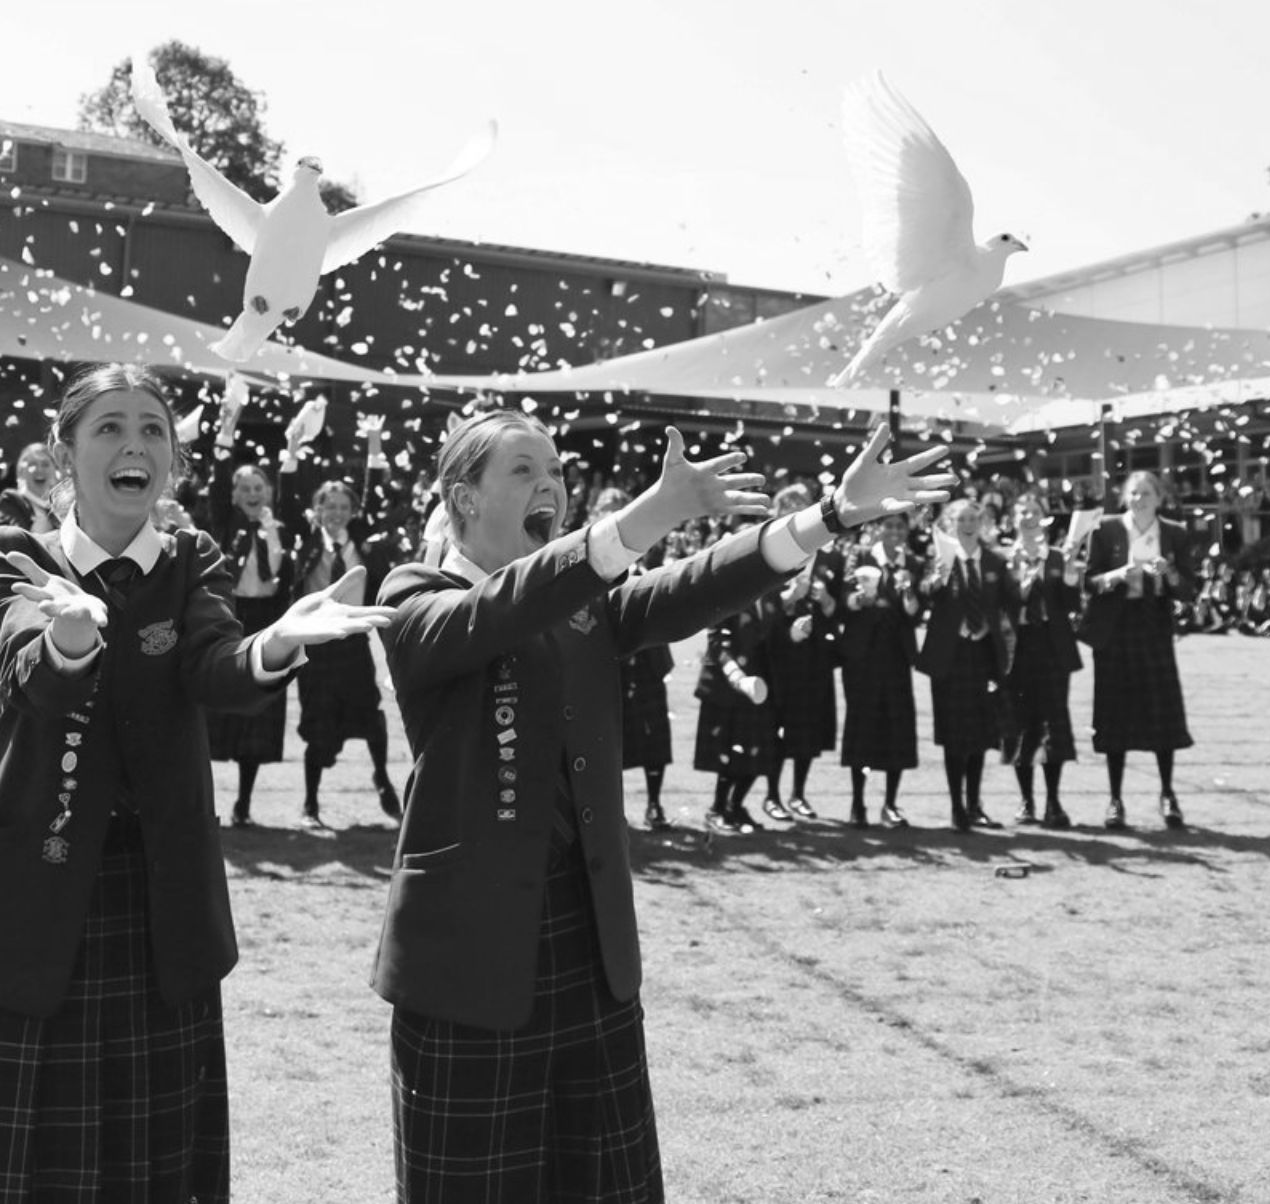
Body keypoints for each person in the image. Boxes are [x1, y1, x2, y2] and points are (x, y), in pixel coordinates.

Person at [375, 413, 951, 1200]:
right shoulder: (414, 595)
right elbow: (502, 612)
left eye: (555, 468)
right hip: (467, 967)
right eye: (522, 471)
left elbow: (691, 585)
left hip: (591, 952)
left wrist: (830, 516)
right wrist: (649, 514)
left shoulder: (582, 596)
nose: (550, 484)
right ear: (461, 498)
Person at [0, 363, 394, 1201]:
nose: (134, 443)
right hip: (31, 893)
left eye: (152, 429)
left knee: (154, 1169)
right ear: (66, 454)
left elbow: (216, 663)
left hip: (159, 905)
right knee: (20, 1168)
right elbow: (22, 660)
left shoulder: (191, 560)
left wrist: (276, 643)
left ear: (171, 462)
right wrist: (68, 637)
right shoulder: (16, 554)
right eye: (109, 427)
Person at [1080, 470, 1197, 831]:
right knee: (1114, 715)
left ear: (1159, 499)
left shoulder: (1174, 532)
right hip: (1115, 631)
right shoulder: (1106, 529)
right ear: (1124, 498)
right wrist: (1117, 575)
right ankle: (1115, 799)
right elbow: (1088, 582)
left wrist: (1171, 573)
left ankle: (1167, 794)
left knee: (1162, 714)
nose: (1140, 499)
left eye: (1147, 493)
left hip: (1154, 628)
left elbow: (1188, 589)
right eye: (1134, 493)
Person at [290, 473, 403, 828]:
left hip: (354, 645)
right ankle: (310, 802)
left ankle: (382, 777)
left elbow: (372, 497)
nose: (336, 514)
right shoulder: (305, 545)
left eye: (344, 507)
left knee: (370, 714)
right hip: (316, 647)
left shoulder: (365, 546)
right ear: (317, 510)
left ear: (353, 511)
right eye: (329, 506)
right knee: (317, 722)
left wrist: (372, 450)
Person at [202, 462, 294, 827]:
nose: (253, 494)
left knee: (258, 712)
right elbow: (218, 481)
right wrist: (226, 429)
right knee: (213, 712)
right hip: (228, 619)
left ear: (269, 492)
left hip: (267, 621)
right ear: (234, 495)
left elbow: (287, 577)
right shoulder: (224, 524)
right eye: (245, 488)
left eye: (259, 487)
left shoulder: (282, 530)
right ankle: (204, 805)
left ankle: (243, 804)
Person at [916, 498, 1009, 832]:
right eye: (960, 519)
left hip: (983, 656)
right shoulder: (940, 557)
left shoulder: (995, 561)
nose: (968, 524)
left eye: (973, 518)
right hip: (949, 658)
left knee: (982, 735)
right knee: (955, 736)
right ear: (949, 523)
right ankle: (957, 807)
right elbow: (923, 591)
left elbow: (1008, 603)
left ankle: (975, 805)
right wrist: (936, 581)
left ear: (981, 523)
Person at [994, 493, 1083, 828]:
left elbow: (1072, 604)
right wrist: (1017, 583)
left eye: (1035, 512)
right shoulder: (1002, 558)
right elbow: (998, 605)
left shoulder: (1059, 557)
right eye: (1022, 512)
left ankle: (1053, 802)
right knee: (1020, 724)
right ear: (1012, 518)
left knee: (1053, 725)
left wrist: (1073, 577)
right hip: (1016, 647)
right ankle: (1026, 802)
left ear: (1044, 518)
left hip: (1052, 647)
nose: (1029, 517)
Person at [593, 490, 679, 830]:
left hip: (648, 654)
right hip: (607, 657)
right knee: (608, 740)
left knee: (654, 735)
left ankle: (655, 805)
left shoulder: (650, 548)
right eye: (608, 512)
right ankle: (612, 811)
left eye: (619, 511)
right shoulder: (587, 554)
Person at [760, 482, 842, 822]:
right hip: (778, 658)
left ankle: (799, 795)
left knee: (808, 730)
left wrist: (824, 601)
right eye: (787, 507)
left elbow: (840, 613)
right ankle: (772, 795)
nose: (793, 512)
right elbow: (758, 610)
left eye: (801, 506)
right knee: (779, 729)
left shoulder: (831, 556)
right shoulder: (767, 555)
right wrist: (788, 601)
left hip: (815, 659)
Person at [837, 512, 924, 828]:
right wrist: (861, 598)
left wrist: (908, 593)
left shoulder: (912, 564)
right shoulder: (859, 555)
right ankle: (857, 803)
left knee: (896, 729)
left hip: (897, 656)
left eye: (901, 526)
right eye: (889, 525)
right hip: (862, 656)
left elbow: (916, 614)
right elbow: (845, 598)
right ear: (877, 528)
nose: (895, 531)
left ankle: (890, 803)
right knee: (862, 728)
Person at [694, 536, 782, 835]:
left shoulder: (771, 589)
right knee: (728, 757)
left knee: (760, 756)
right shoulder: (725, 589)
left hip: (761, 687)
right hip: (727, 687)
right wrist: (736, 676)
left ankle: (736, 805)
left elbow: (774, 633)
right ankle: (717, 809)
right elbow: (717, 641)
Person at [0, 442, 59, 535]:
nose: (39, 469)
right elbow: (12, 540)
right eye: (32, 464)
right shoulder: (11, 500)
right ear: (21, 471)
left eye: (45, 464)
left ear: (54, 471)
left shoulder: (59, 507)